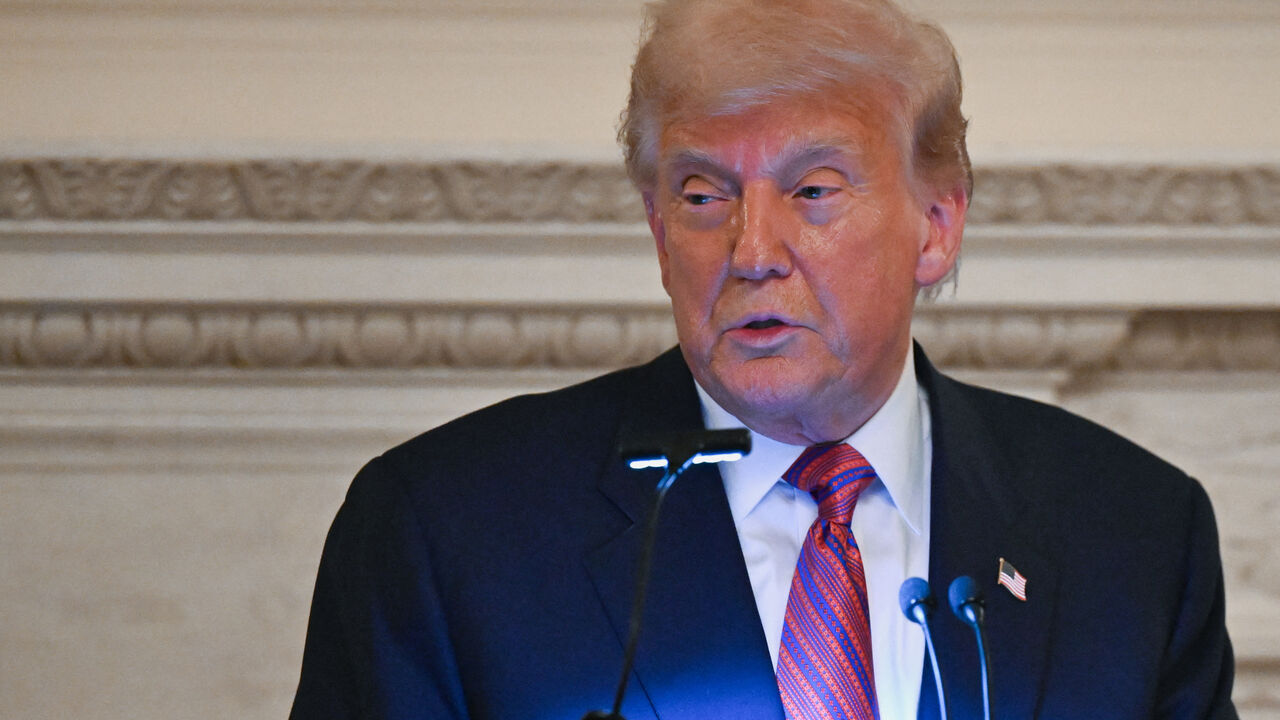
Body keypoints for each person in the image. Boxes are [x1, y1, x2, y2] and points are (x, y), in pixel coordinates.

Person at [290, 0, 1238, 718]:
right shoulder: (445, 532)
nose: (751, 250)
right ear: (660, 234)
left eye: (813, 190)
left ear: (937, 227)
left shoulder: (1135, 535)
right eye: (703, 196)